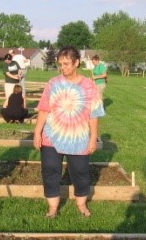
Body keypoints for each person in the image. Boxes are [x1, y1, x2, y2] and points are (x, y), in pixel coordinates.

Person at [33, 46, 105, 219]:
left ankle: (81, 204)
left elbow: (94, 114)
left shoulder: (89, 86)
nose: (62, 68)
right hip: (51, 136)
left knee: (80, 172)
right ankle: (52, 208)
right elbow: (44, 109)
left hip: (79, 138)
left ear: (76, 63)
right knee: (50, 170)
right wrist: (37, 133)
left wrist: (93, 138)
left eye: (66, 64)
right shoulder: (53, 83)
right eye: (60, 64)